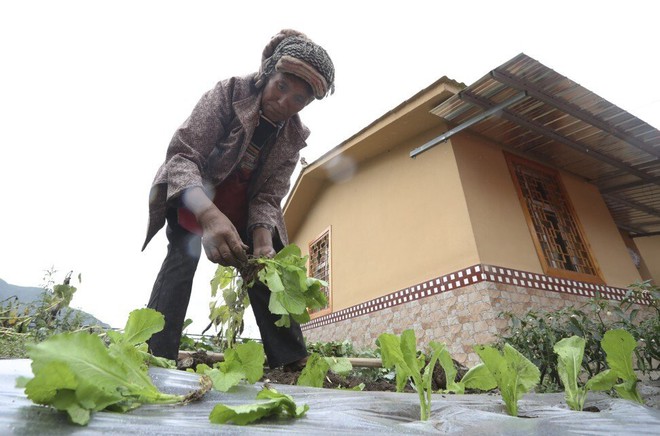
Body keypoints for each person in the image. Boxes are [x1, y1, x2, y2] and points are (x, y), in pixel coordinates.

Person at [141, 29, 335, 370]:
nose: (285, 102)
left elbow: (268, 195)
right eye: (282, 87)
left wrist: (262, 242)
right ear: (267, 76)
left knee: (268, 268)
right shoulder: (228, 94)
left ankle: (291, 361)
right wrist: (210, 217)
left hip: (243, 205)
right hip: (197, 193)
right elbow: (183, 157)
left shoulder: (292, 136)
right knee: (182, 257)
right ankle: (156, 353)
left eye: (299, 99)